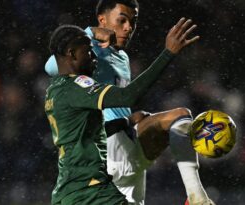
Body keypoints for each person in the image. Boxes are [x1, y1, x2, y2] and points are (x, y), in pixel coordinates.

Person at [45, 1, 213, 204]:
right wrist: (91, 33)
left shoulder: (122, 58)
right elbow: (52, 64)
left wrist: (127, 116)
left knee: (180, 117)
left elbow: (119, 99)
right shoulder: (88, 51)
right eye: (122, 20)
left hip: (125, 140)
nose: (128, 27)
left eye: (133, 22)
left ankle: (196, 196)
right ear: (102, 20)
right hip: (106, 151)